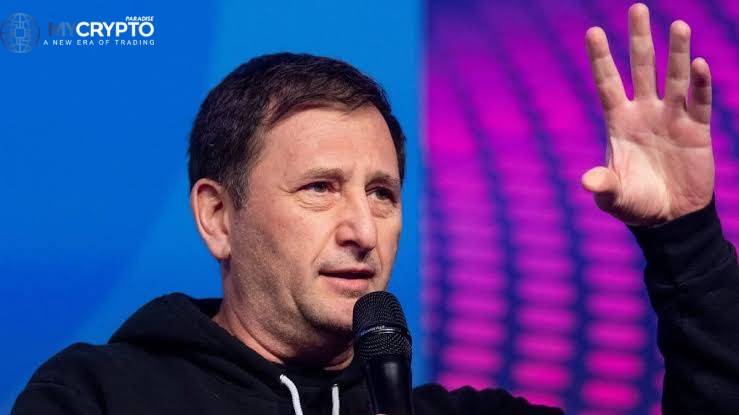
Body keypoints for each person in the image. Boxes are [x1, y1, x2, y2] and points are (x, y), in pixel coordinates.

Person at [11, 3, 739, 414]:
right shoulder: (99, 397)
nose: (362, 231)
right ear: (217, 217)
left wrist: (685, 236)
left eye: (382, 193)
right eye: (319, 188)